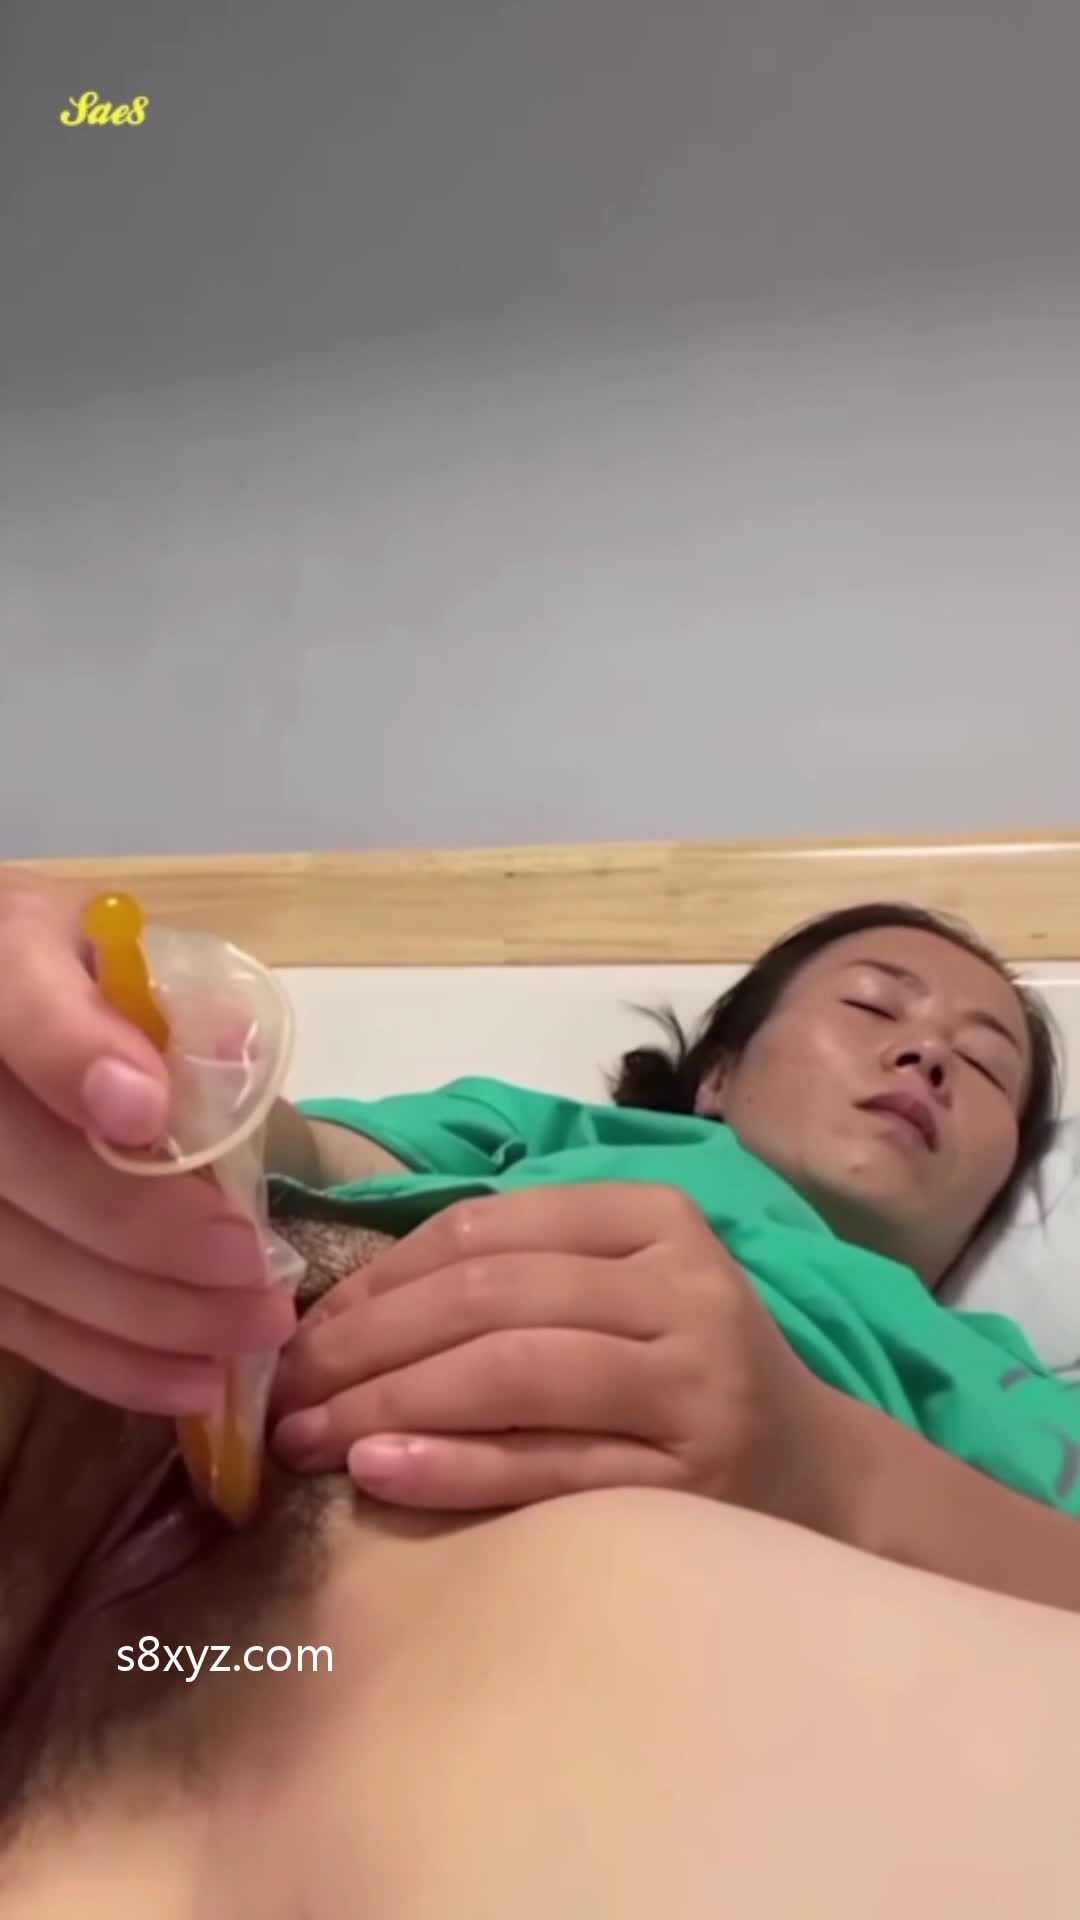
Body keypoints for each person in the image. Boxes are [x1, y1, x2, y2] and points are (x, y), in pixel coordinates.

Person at [2, 868, 1080, 1918]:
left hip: (527, 1658)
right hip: (151, 1411)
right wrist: (128, 1070)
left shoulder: (1012, 1387)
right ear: (716, 1076)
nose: (927, 1053)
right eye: (873, 1005)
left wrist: (829, 1466)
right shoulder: (558, 1134)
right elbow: (278, 1142)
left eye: (987, 1067)